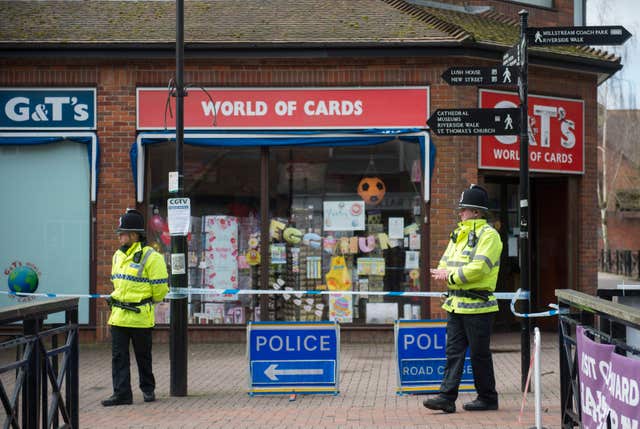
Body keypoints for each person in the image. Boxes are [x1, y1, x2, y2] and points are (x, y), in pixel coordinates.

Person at [423, 184, 502, 414]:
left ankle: (488, 398)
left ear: (476, 212)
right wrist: (442, 272)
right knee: (454, 352)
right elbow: (446, 261)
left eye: (464, 209)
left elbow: (479, 268)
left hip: (478, 307)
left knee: (479, 355)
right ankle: (446, 397)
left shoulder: (490, 236)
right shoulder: (459, 233)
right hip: (456, 304)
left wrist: (451, 277)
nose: (460, 213)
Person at [102, 209, 169, 406]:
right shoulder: (117, 256)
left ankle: (148, 389)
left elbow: (160, 290)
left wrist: (143, 300)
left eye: (122, 233)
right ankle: (122, 394)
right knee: (118, 358)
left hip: (140, 316)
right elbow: (117, 283)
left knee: (143, 357)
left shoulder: (152, 257)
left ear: (134, 234)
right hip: (119, 316)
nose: (119, 236)